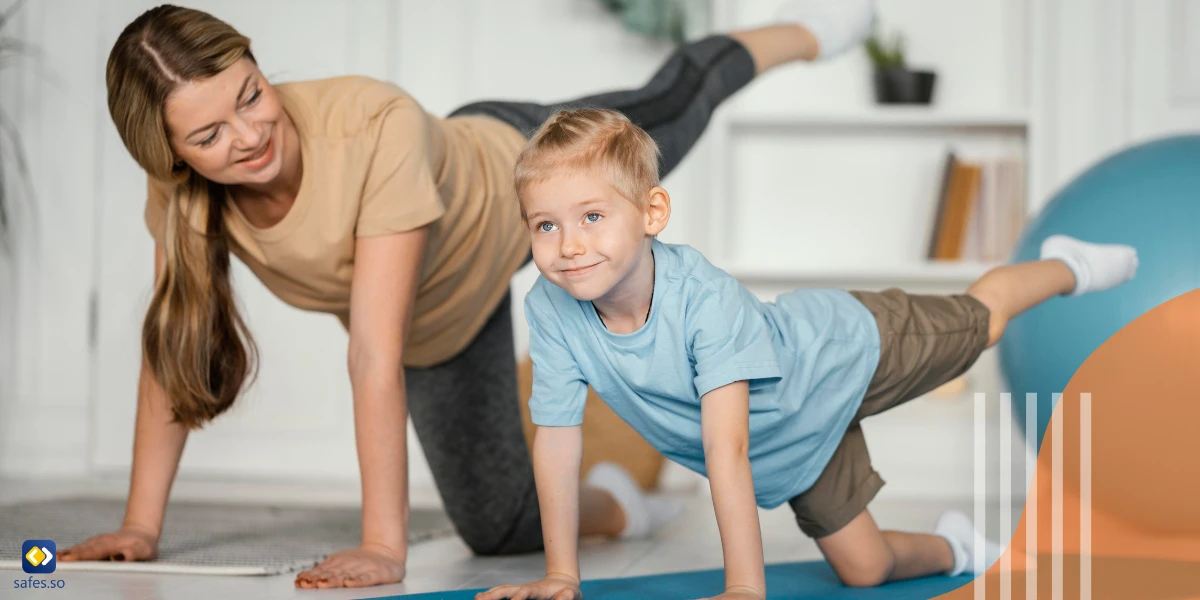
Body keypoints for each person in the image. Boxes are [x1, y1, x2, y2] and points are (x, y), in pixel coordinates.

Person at [56, 1, 882, 590]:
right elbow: (176, 343)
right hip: (446, 318)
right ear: (169, 155)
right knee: (497, 529)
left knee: (676, 99)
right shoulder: (181, 197)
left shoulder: (371, 126)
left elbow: (372, 351)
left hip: (518, 173)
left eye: (251, 95)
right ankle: (626, 497)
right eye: (209, 135)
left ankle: (808, 27)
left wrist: (383, 546)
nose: (249, 135)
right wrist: (140, 525)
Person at [478, 108, 1139, 600]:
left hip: (844, 349)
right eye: (546, 224)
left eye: (592, 216)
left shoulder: (703, 300)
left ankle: (1064, 267)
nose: (568, 245)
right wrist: (562, 573)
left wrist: (745, 586)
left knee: (981, 324)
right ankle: (956, 544)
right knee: (866, 569)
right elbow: (557, 443)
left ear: (652, 212)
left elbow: (725, 449)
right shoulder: (553, 309)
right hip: (795, 442)